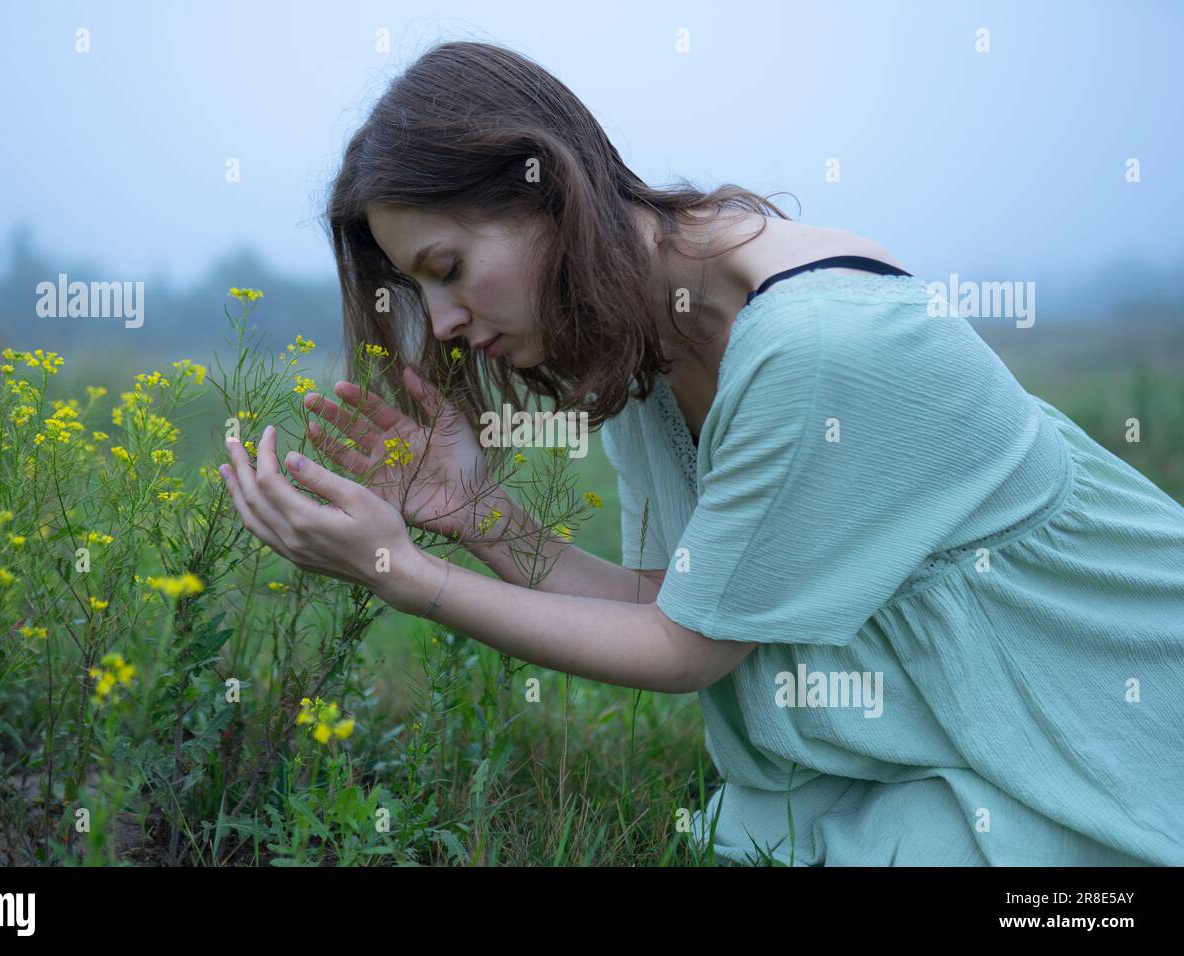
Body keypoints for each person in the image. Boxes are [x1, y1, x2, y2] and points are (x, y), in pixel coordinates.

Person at [219, 40, 1184, 865]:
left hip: (1108, 719)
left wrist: (405, 572)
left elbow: (684, 651)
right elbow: (665, 601)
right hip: (933, 737)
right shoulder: (641, 341)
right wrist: (477, 519)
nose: (445, 322)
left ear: (544, 185)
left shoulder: (811, 345)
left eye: (449, 270)